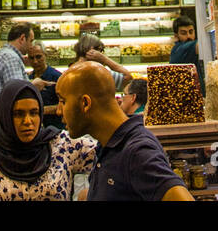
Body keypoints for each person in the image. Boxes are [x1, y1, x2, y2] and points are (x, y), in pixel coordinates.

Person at [57, 61, 192, 201]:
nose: (58, 111)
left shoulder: (137, 152)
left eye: (63, 101)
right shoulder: (108, 145)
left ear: (85, 103)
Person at [0, 22, 35, 136]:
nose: (31, 46)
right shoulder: (11, 58)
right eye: (31, 41)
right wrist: (34, 86)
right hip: (8, 130)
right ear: (22, 38)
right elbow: (17, 94)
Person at [28, 41, 64, 129]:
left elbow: (65, 105)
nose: (35, 61)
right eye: (31, 58)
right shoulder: (28, 78)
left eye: (38, 57)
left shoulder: (57, 77)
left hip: (55, 128)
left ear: (45, 55)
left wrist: (42, 110)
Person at [168, 14, 205, 93]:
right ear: (176, 36)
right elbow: (201, 45)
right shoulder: (179, 49)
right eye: (183, 33)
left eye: (191, 32)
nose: (189, 36)